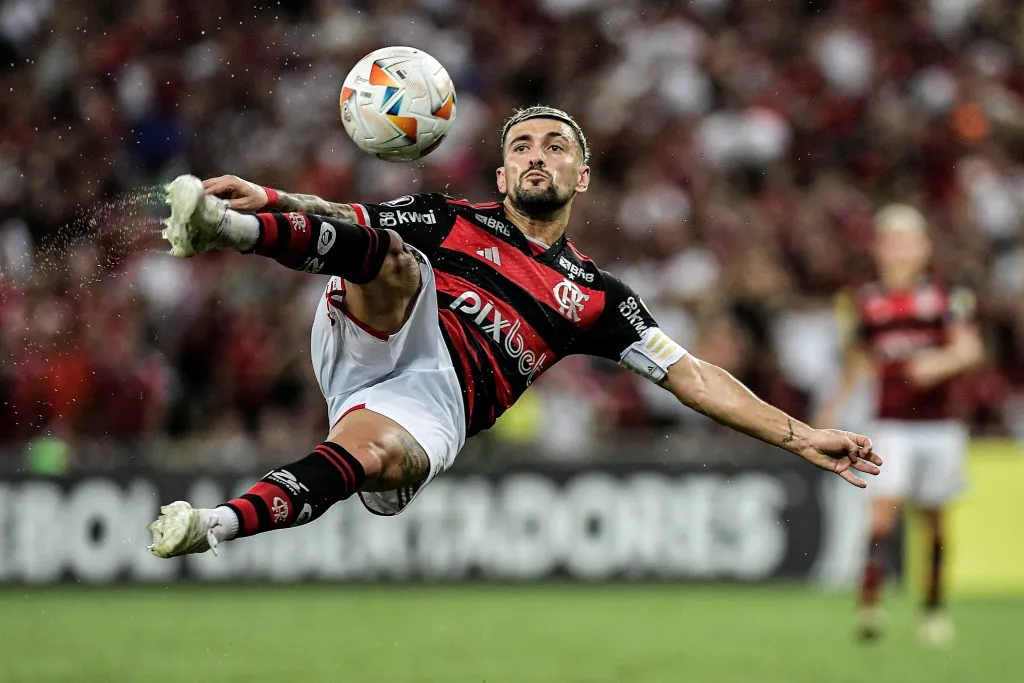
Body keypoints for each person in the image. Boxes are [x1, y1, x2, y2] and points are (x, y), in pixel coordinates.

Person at [148, 106, 881, 565]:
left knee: (372, 457)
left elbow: (692, 374)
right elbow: (348, 211)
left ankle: (211, 524)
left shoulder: (597, 298)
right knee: (391, 253)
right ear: (502, 175)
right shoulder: (453, 220)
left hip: (436, 404)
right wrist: (271, 200)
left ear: (582, 176)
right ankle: (225, 229)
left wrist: (799, 434)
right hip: (380, 328)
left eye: (555, 145)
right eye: (522, 145)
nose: (537, 153)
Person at [816, 204, 983, 646]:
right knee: (883, 514)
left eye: (908, 241)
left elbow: (970, 349)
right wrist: (831, 412)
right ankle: (870, 606)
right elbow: (857, 365)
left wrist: (938, 363)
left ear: (925, 248)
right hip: (890, 422)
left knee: (934, 521)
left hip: (940, 425)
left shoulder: (945, 297)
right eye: (891, 241)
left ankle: (933, 608)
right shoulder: (867, 301)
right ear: (879, 249)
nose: (900, 251)